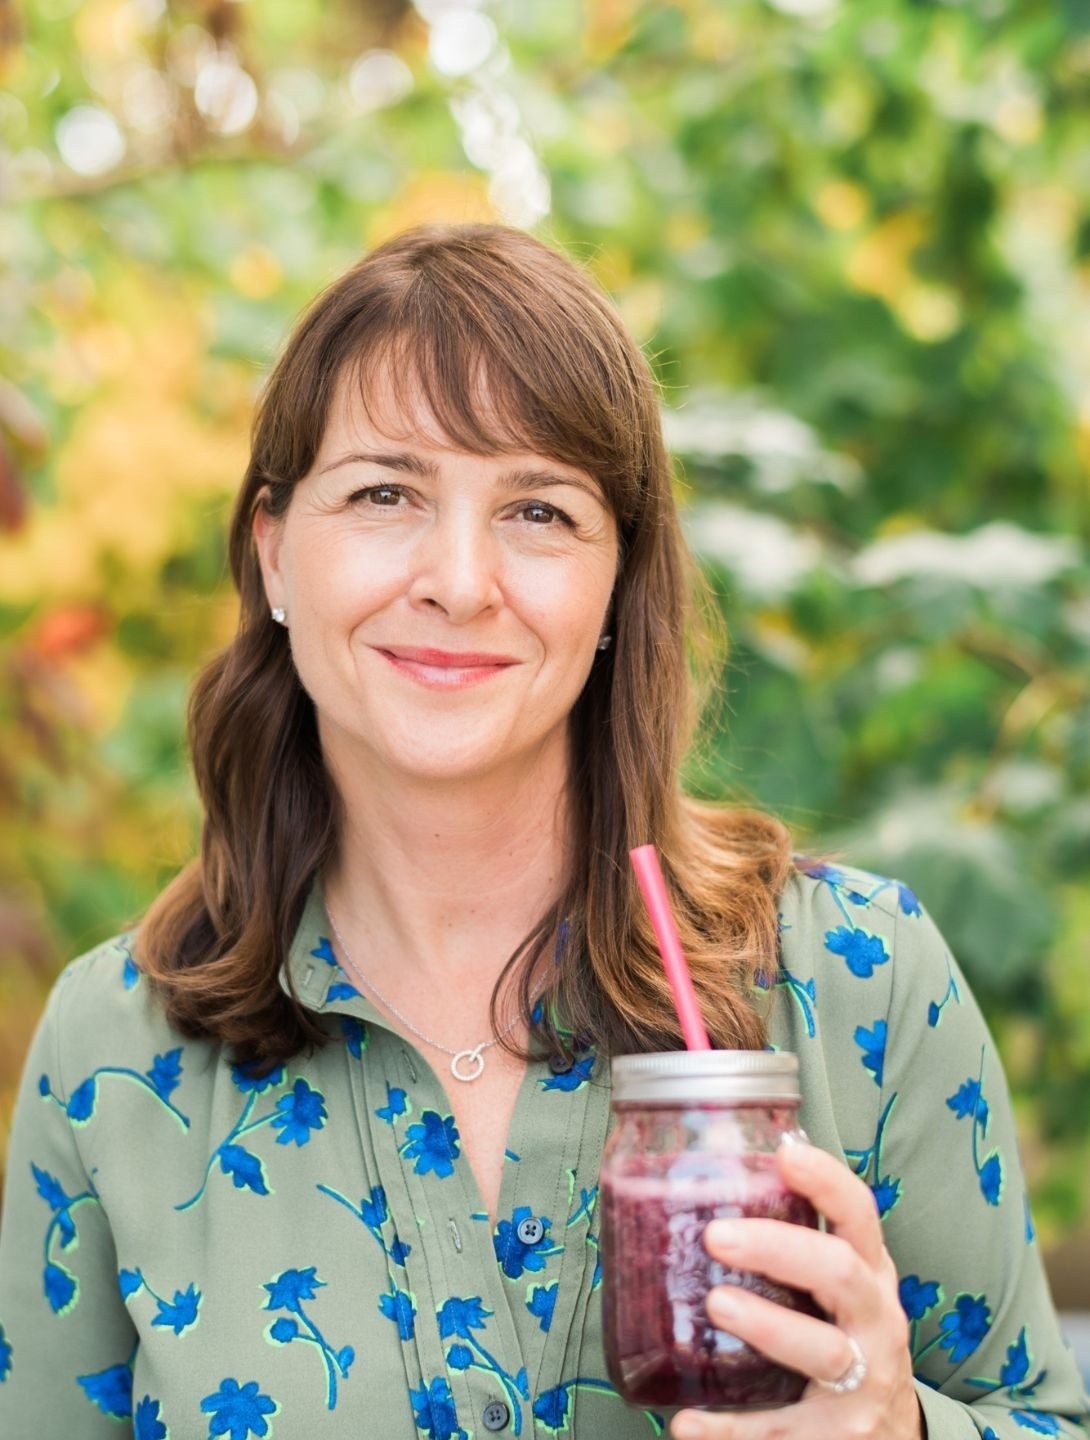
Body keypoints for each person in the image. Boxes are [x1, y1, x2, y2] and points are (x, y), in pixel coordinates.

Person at [0, 223, 1086, 1440]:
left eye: (538, 511)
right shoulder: (114, 1052)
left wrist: (907, 1429)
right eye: (383, 493)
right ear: (274, 558)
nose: (460, 580)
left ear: (618, 584)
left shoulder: (858, 982)